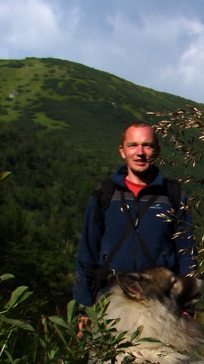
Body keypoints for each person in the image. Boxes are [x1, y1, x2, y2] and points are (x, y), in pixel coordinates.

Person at [73, 121, 196, 317]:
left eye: (147, 145)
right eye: (133, 145)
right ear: (122, 151)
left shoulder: (173, 195)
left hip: (162, 304)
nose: (140, 152)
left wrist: (187, 305)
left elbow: (186, 254)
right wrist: (82, 308)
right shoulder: (105, 194)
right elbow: (87, 253)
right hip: (109, 301)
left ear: (156, 151)